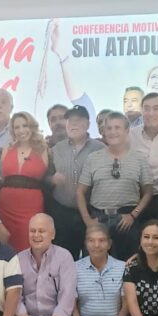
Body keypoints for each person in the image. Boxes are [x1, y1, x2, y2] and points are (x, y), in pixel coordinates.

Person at [77, 112, 154, 259]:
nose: (113, 132)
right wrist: (87, 220)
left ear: (127, 130)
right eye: (109, 128)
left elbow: (148, 191)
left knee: (128, 267)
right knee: (95, 265)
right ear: (104, 131)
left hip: (127, 220)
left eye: (117, 127)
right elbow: (80, 192)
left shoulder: (139, 159)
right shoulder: (93, 158)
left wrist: (133, 215)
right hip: (99, 219)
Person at [46, 105, 105, 258]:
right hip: (62, 212)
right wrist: (52, 179)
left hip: (90, 212)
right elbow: (45, 178)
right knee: (63, 257)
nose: (73, 124)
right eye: (70, 120)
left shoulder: (100, 149)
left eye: (78, 120)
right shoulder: (55, 149)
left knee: (91, 257)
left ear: (87, 124)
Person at [0, 112, 48, 252]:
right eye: (16, 127)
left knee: (30, 242)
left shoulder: (42, 149)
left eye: (24, 126)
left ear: (32, 127)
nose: (21, 130)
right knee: (5, 245)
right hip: (5, 206)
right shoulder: (7, 149)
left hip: (31, 206)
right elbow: (1, 177)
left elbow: (47, 178)